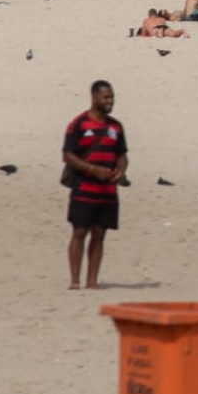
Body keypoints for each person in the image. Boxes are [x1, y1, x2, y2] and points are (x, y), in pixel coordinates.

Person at [62, 80, 128, 290]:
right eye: (106, 97)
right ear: (94, 98)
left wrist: (121, 170)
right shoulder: (79, 124)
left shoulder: (116, 126)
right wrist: (92, 170)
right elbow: (68, 155)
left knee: (100, 235)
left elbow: (122, 154)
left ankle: (92, 280)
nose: (110, 101)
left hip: (108, 192)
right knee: (79, 232)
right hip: (84, 190)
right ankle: (74, 281)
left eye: (112, 97)